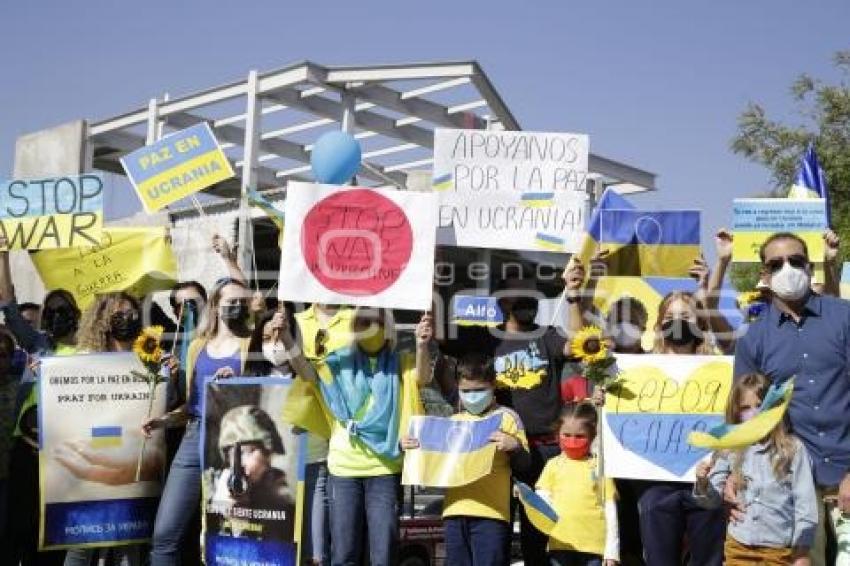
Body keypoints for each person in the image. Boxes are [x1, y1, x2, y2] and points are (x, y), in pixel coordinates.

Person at [440, 268, 573, 565]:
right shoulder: (483, 338)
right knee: (495, 541)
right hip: (493, 452)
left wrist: (575, 294)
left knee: (538, 541)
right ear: (501, 301)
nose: (527, 299)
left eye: (532, 293)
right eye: (518, 293)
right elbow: (441, 335)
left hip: (543, 452)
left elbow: (576, 346)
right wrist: (440, 283)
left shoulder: (548, 336)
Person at [733, 232, 850, 566]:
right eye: (776, 263)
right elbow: (745, 415)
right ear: (765, 276)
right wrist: (733, 471)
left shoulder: (844, 317)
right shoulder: (753, 337)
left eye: (796, 260)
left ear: (809, 266)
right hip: (791, 483)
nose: (788, 268)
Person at [284, 307, 432, 566]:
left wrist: (421, 345)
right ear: (353, 327)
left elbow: (423, 377)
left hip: (384, 467)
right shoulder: (337, 361)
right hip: (343, 470)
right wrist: (286, 337)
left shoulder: (401, 362)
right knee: (344, 553)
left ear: (387, 327)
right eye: (363, 321)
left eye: (376, 321)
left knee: (383, 553)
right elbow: (306, 371)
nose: (370, 326)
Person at [144, 277, 254, 566]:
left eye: (240, 302)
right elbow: (191, 404)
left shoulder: (249, 344)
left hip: (235, 441)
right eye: (229, 300)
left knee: (229, 534)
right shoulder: (196, 347)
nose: (235, 306)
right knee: (165, 534)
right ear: (215, 305)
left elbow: (264, 392)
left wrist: (240, 382)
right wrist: (163, 421)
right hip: (193, 437)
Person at [402, 352, 530, 566]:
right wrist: (407, 445)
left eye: (479, 390)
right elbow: (431, 459)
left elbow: (525, 465)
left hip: (492, 515)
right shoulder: (453, 421)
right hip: (454, 512)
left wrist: (515, 447)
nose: (473, 396)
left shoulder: (508, 418)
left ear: (493, 385)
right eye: (466, 391)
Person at [633, 290, 727, 566]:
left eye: (685, 316)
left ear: (700, 324)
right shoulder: (639, 369)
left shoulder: (720, 369)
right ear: (659, 325)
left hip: (706, 480)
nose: (677, 322)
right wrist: (606, 398)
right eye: (670, 317)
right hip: (656, 483)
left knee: (709, 559)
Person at [62, 291, 151, 566]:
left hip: (131, 458)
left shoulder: (149, 356)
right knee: (83, 543)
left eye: (132, 314)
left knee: (128, 541)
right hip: (94, 453)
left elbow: (161, 404)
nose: (127, 319)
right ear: (103, 320)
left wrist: (167, 376)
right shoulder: (85, 358)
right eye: (120, 315)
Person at [693, 373, 817, 565]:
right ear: (736, 412)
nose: (753, 413)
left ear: (773, 407)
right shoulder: (729, 447)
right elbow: (712, 502)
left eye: (759, 405)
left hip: (779, 552)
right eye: (745, 408)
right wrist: (702, 483)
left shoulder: (792, 449)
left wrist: (802, 552)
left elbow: (805, 505)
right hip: (738, 548)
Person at [291, 302, 356, 566]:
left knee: (317, 526)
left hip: (330, 424)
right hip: (286, 424)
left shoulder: (354, 319)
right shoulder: (292, 319)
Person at [537, 402, 619, 566]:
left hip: (594, 548)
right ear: (557, 434)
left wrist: (612, 551)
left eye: (580, 436)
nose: (572, 441)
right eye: (566, 435)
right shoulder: (553, 465)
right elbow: (541, 502)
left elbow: (611, 511)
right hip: (560, 544)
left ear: (593, 435)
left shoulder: (600, 467)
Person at [209, 405, 296, 542]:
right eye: (231, 455)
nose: (240, 463)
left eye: (248, 451)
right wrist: (218, 513)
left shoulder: (282, 500)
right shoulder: (211, 487)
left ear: (268, 454)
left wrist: (242, 522)